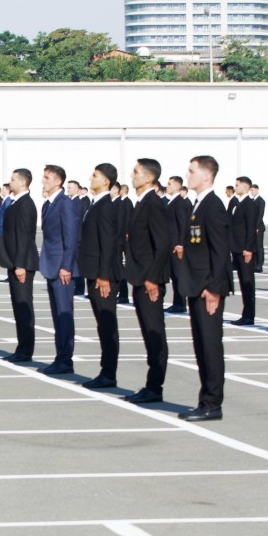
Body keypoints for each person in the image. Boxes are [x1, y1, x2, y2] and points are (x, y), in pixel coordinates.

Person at [172, 156, 230, 422]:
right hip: (197, 285)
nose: (188, 174)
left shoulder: (213, 206)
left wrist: (214, 288)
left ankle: (212, 403)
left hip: (208, 289)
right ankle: (205, 399)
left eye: (192, 170)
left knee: (209, 346)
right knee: (201, 346)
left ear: (207, 176)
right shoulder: (199, 204)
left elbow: (220, 252)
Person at [122, 159, 170, 405]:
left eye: (137, 171)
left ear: (149, 178)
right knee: (148, 332)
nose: (132, 175)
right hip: (139, 277)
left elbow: (162, 244)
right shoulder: (140, 202)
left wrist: (152, 278)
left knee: (154, 333)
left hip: (149, 279)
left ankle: (155, 386)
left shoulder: (154, 203)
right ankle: (151, 384)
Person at [79, 163, 123, 390]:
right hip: (95, 272)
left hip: (103, 275)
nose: (91, 177)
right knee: (102, 324)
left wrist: (104, 276)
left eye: (95, 175)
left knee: (107, 324)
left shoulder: (106, 206)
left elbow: (108, 244)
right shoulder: (96, 204)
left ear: (106, 181)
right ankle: (105, 371)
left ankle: (109, 373)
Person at [39, 165, 81, 375]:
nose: (43, 181)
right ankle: (60, 356)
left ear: (58, 181)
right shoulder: (48, 204)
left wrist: (66, 266)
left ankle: (65, 359)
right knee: (57, 314)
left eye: (46, 177)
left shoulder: (65, 204)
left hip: (62, 268)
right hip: (51, 265)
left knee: (64, 314)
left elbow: (71, 237)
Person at [0, 167, 37, 363]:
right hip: (15, 262)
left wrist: (20, 265)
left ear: (22, 182)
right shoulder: (16, 202)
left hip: (22, 264)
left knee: (24, 307)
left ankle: (26, 349)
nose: (10, 182)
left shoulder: (25, 204)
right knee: (18, 307)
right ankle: (21, 346)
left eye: (13, 179)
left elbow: (24, 237)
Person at [228, 176, 262, 326]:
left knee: (248, 283)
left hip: (245, 249)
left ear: (245, 187)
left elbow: (250, 228)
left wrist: (248, 249)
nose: (235, 187)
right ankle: (245, 314)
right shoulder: (237, 203)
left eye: (237, 185)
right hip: (236, 248)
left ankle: (249, 315)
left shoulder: (249, 204)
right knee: (243, 282)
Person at [164, 175, 190, 314]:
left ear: (177, 186)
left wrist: (181, 244)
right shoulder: (171, 202)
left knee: (179, 274)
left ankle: (181, 303)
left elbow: (183, 224)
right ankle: (176, 302)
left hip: (176, 244)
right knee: (174, 275)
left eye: (169, 183)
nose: (166, 186)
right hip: (170, 243)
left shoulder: (179, 202)